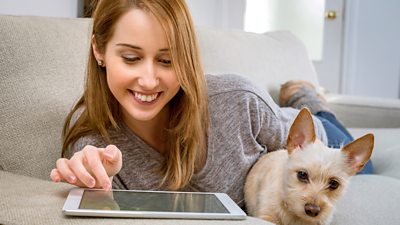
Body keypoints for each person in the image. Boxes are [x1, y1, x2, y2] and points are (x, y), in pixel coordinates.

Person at [50, 0, 372, 207]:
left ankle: (309, 97)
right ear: (99, 51)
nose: (148, 80)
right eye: (131, 58)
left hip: (310, 132)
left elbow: (309, 144)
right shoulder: (91, 148)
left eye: (167, 60)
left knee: (358, 158)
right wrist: (96, 191)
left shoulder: (238, 100)